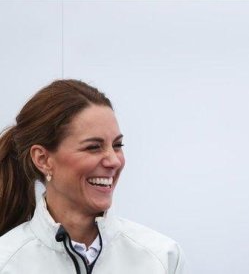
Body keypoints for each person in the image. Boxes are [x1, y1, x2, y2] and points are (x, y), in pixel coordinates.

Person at [0, 79, 186, 274]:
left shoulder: (163, 258)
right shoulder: (6, 262)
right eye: (93, 147)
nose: (114, 161)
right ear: (43, 159)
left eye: (117, 145)